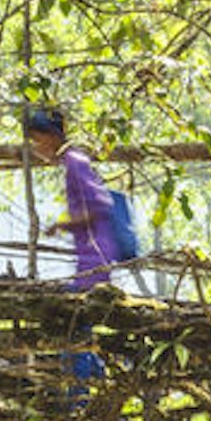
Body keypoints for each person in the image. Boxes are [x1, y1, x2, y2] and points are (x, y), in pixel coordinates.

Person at [21, 104, 131, 395]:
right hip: (92, 260)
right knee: (79, 325)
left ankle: (79, 397)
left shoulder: (74, 161)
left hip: (96, 259)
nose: (36, 147)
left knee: (73, 323)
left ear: (50, 135)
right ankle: (91, 386)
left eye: (37, 139)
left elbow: (101, 206)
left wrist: (65, 225)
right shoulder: (73, 161)